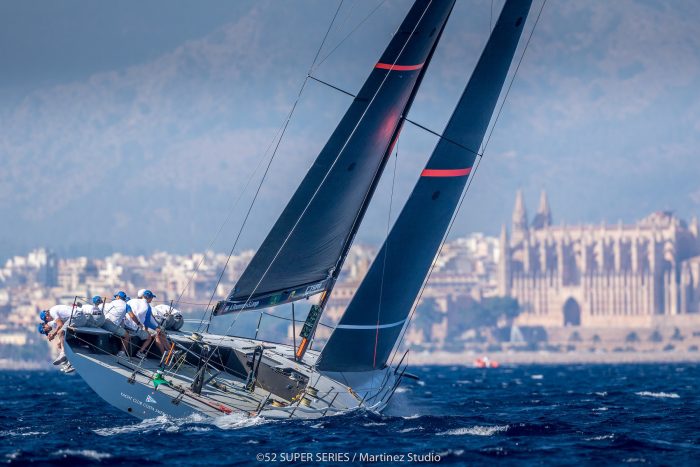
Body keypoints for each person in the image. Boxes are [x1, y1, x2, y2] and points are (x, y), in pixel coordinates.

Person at [103, 291, 145, 359]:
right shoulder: (126, 305)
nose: (115, 298)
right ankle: (121, 353)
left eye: (116, 296)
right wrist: (138, 323)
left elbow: (104, 310)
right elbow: (132, 316)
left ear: (118, 297)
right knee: (127, 335)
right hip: (111, 326)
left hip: (104, 322)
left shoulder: (113, 302)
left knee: (121, 331)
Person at [126, 290, 167, 358]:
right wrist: (153, 329)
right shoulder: (147, 307)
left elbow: (127, 309)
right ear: (148, 298)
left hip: (125, 325)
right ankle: (140, 352)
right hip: (134, 329)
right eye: (151, 298)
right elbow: (146, 322)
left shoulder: (131, 301)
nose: (152, 299)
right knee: (149, 337)